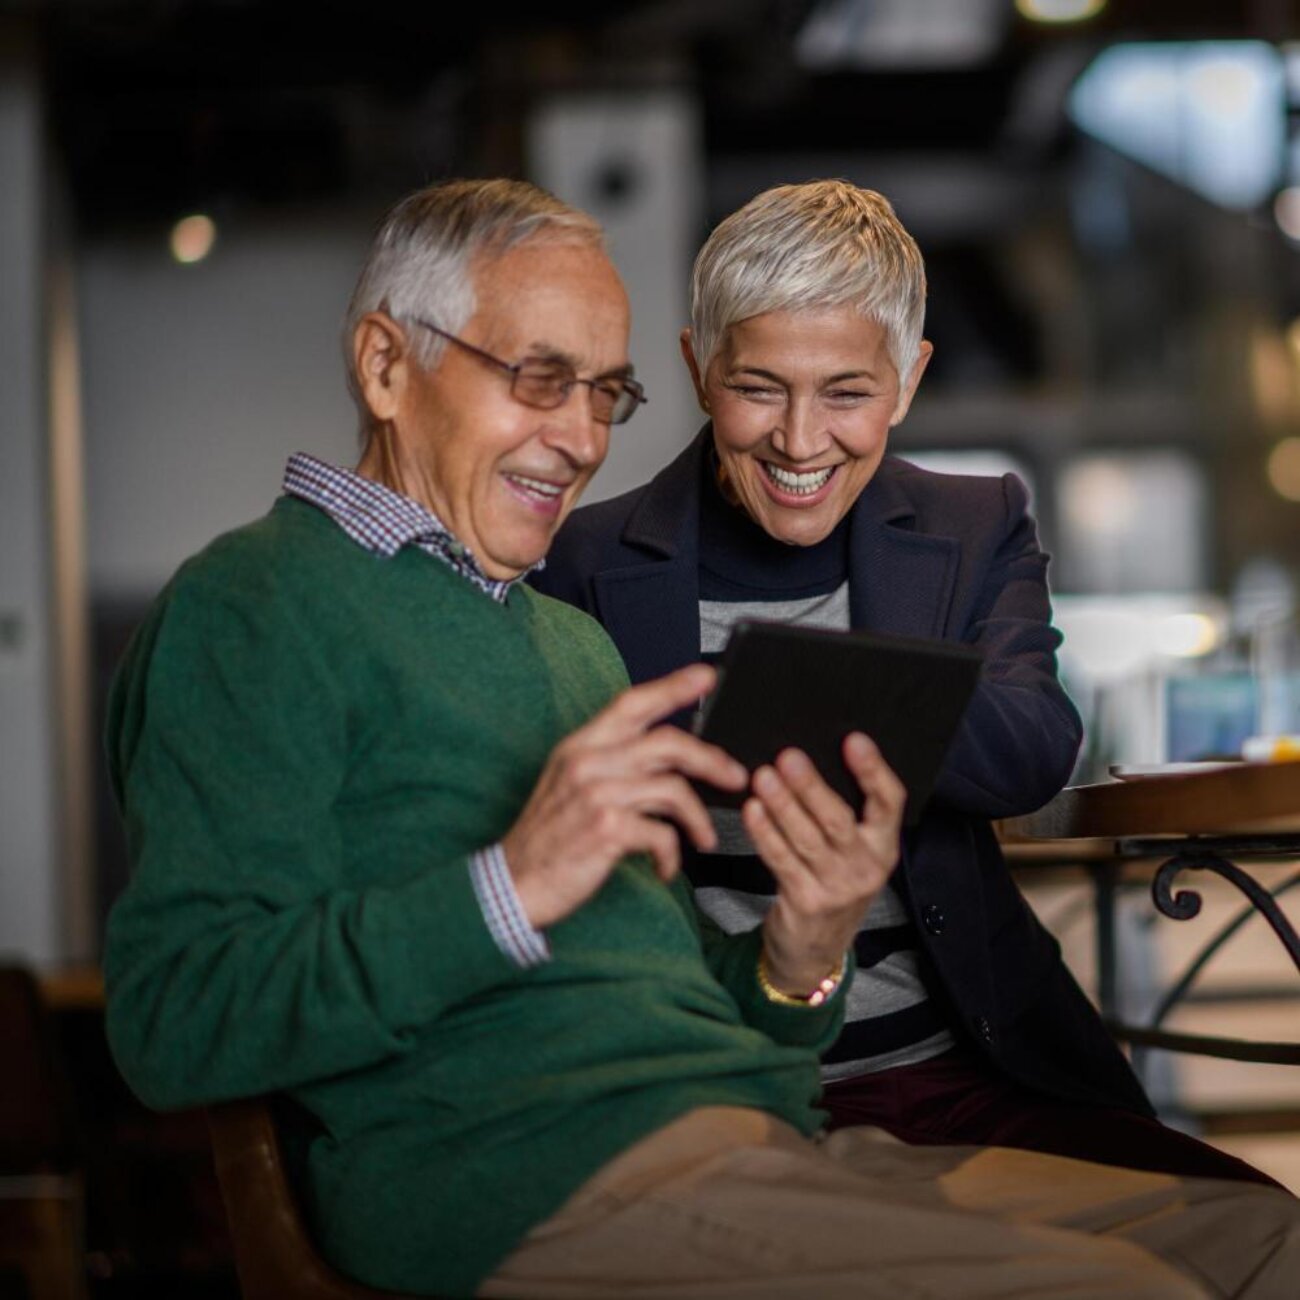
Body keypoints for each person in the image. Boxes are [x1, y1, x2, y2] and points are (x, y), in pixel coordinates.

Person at [104, 177, 1300, 1300]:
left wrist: (803, 943)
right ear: (382, 363)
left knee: (1265, 1241)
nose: (580, 438)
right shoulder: (255, 607)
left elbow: (700, 1012)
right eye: (538, 379)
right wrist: (512, 884)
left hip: (757, 1136)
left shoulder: (558, 643)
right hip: (528, 1180)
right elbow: (175, 1024)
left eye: (602, 394)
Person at [533, 178, 1280, 1190]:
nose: (801, 442)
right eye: (759, 388)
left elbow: (1027, 750)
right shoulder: (581, 558)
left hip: (966, 1068)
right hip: (721, 1087)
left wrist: (805, 687)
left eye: (845, 393)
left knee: (1250, 1218)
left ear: (908, 379)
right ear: (697, 369)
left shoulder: (975, 525)